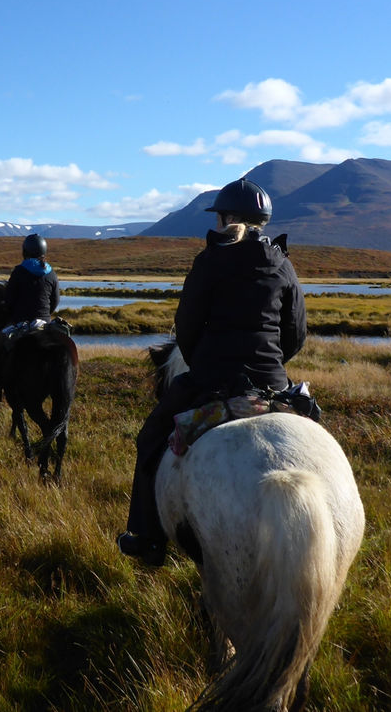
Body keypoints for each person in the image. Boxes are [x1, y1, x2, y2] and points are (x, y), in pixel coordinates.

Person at [117, 178, 307, 566]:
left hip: (212, 378)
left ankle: (148, 539)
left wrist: (202, 362)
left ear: (226, 219)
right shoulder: (282, 263)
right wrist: (271, 366)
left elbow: (186, 327)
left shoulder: (209, 260)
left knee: (151, 438)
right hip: (271, 382)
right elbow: (296, 333)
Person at [0, 233, 60, 403]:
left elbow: (9, 301)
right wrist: (45, 315)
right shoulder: (51, 274)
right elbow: (55, 301)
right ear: (43, 251)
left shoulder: (20, 271)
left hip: (21, 323)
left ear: (25, 251)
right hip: (45, 322)